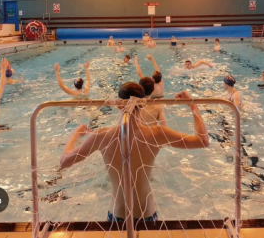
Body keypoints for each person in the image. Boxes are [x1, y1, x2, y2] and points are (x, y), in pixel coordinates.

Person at [58, 83, 209, 223]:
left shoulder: (101, 136)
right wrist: (193, 105)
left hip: (116, 215)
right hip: (147, 214)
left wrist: (75, 135)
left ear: (118, 104)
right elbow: (202, 141)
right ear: (144, 103)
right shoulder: (157, 134)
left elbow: (64, 162)